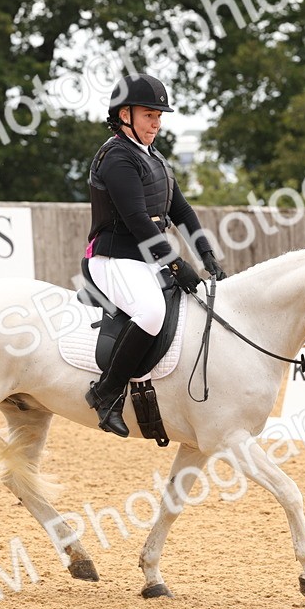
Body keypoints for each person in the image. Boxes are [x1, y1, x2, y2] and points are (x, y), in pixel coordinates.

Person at [83, 73, 227, 437]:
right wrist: (177, 264)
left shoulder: (155, 158)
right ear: (125, 114)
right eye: (149, 115)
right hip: (113, 259)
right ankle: (106, 392)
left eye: (159, 117)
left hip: (144, 260)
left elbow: (182, 211)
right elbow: (136, 222)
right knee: (151, 313)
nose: (156, 123)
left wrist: (207, 255)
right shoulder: (116, 156)